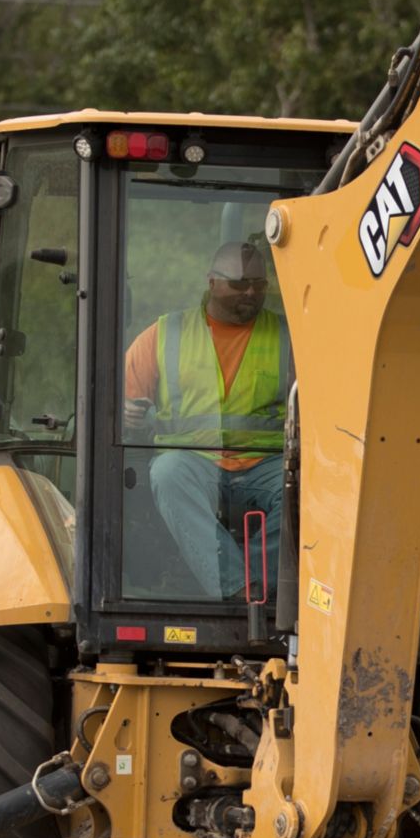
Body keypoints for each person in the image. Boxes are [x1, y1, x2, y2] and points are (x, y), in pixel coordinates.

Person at [123, 238, 287, 601]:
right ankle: (237, 588)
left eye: (259, 285)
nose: (250, 293)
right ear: (211, 281)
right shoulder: (165, 335)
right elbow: (120, 401)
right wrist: (127, 415)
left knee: (305, 487)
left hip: (266, 466)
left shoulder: (287, 337)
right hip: (194, 462)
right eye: (239, 284)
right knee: (165, 472)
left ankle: (252, 579)